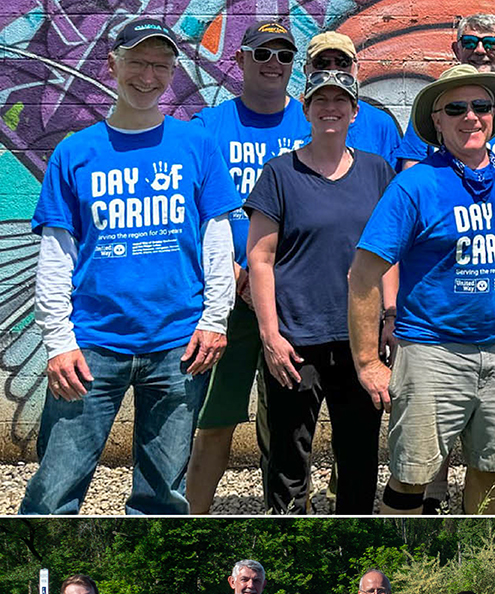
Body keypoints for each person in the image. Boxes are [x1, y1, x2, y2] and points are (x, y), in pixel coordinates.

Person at [20, 18, 236, 516]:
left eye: (160, 65)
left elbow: (216, 240)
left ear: (173, 72)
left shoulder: (196, 146)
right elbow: (56, 252)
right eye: (137, 62)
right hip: (92, 345)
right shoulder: (75, 152)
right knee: (54, 490)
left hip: (180, 345)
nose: (147, 76)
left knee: (162, 497)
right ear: (112, 64)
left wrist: (213, 320)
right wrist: (59, 341)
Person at [350, 64, 495, 516]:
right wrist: (367, 362)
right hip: (430, 353)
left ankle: (481, 557)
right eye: (456, 108)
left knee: (494, 467)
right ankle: (401, 566)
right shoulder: (414, 186)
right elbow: (363, 273)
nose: (470, 117)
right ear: (436, 121)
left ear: (494, 116)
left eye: (481, 106)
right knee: (411, 474)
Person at [244, 68, 393, 514]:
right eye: (321, 101)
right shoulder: (279, 174)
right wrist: (270, 336)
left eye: (340, 101)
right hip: (296, 340)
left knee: (359, 456)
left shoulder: (376, 171)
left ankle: (354, 533)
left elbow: (390, 253)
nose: (331, 108)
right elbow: (260, 260)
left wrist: (389, 317)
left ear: (354, 112)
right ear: (306, 109)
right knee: (289, 458)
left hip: (360, 340)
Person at [185, 21, 307, 513]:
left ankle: (284, 512)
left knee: (288, 420)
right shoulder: (207, 128)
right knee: (214, 420)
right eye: (262, 53)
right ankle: (192, 517)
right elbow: (188, 211)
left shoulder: (310, 122)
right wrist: (231, 272)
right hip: (226, 298)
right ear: (239, 60)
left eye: (283, 55)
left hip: (293, 298)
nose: (273, 63)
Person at [393, 13, 495, 167]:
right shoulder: (436, 98)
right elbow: (413, 163)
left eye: (490, 43)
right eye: (469, 42)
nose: (480, 50)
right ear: (457, 50)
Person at [304, 32, 402, 170]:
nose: (333, 71)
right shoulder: (294, 121)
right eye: (321, 63)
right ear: (306, 69)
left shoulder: (381, 124)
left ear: (357, 69)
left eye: (343, 63)